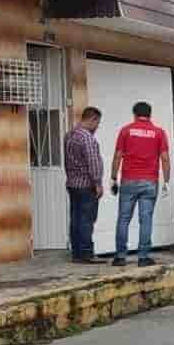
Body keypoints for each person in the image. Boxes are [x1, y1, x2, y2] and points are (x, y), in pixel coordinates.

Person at [110, 101, 171, 267]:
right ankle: (143, 257)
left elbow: (117, 156)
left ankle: (120, 256)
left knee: (123, 218)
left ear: (135, 114)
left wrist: (113, 177)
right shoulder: (159, 132)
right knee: (146, 219)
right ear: (150, 114)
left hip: (128, 180)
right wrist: (166, 180)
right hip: (150, 182)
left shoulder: (126, 130)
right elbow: (165, 158)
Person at [63, 106, 104, 263]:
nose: (97, 127)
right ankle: (87, 253)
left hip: (73, 184)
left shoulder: (70, 135)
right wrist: (98, 183)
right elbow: (93, 162)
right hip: (87, 185)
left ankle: (77, 253)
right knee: (87, 219)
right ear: (92, 119)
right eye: (97, 123)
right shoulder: (87, 137)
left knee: (75, 219)